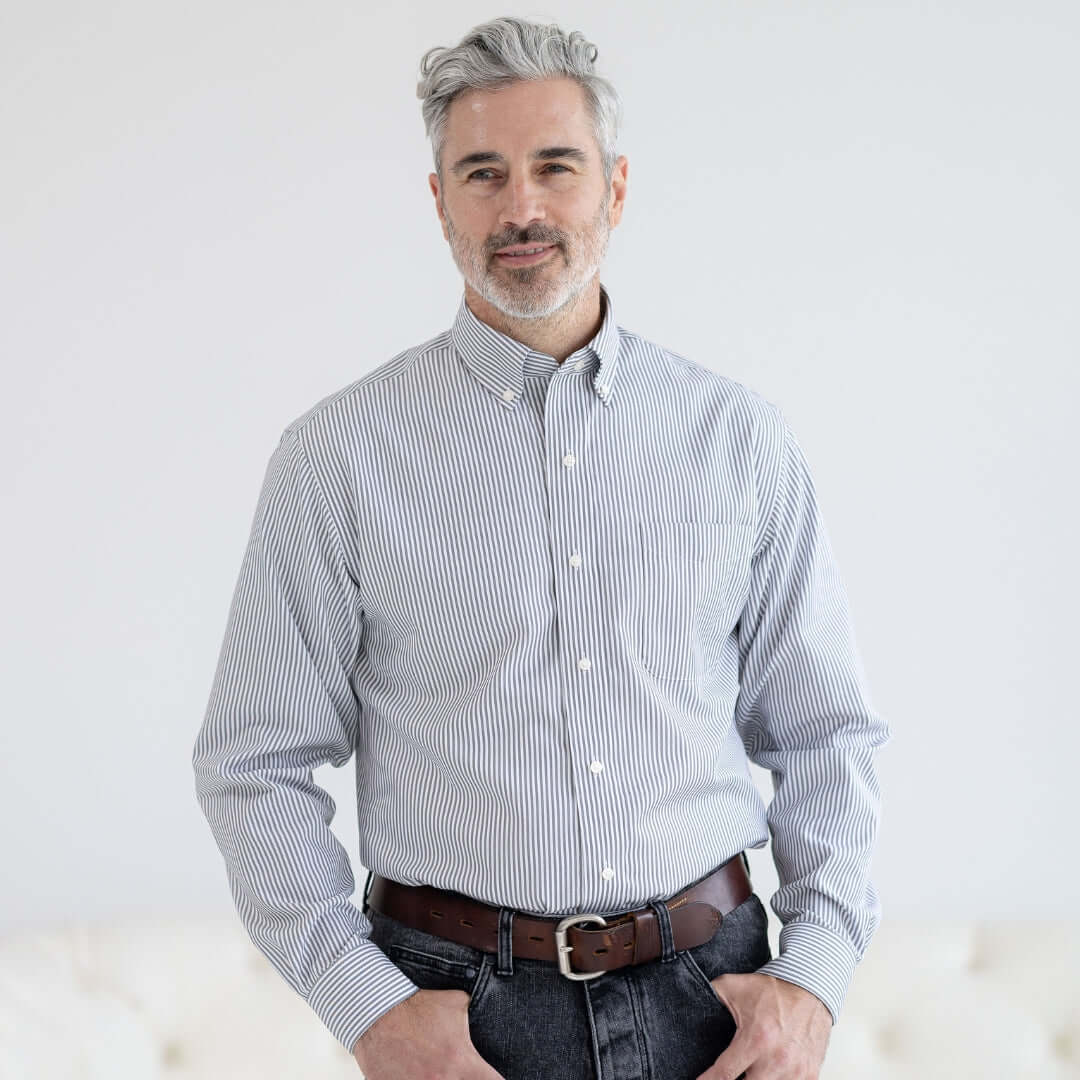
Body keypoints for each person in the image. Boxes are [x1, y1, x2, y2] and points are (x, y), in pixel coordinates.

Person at [191, 15, 891, 1080]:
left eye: (554, 167)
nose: (520, 208)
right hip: (456, 1016)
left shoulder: (738, 438)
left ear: (614, 187)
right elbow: (255, 762)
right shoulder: (337, 456)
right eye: (482, 173)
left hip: (715, 1004)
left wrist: (817, 978)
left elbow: (825, 730)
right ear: (440, 204)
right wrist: (369, 1007)